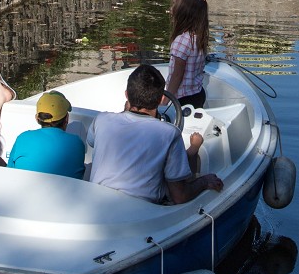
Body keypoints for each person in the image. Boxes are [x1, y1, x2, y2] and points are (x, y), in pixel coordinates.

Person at [88, 64, 224, 203]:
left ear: (126, 95)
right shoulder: (170, 134)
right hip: (142, 213)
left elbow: (92, 142)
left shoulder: (101, 120)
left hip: (97, 203)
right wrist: (204, 181)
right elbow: (180, 196)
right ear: (160, 100)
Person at [6, 90, 86, 179]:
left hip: (24, 191)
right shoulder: (77, 143)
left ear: (37, 118)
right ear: (67, 118)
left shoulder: (23, 138)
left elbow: (9, 172)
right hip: (64, 192)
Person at [166, 0, 209, 109]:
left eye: (174, 5)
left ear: (183, 12)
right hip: (198, 93)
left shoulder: (181, 41)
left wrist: (166, 98)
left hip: (183, 99)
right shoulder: (198, 37)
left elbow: (177, 75)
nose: (170, 9)